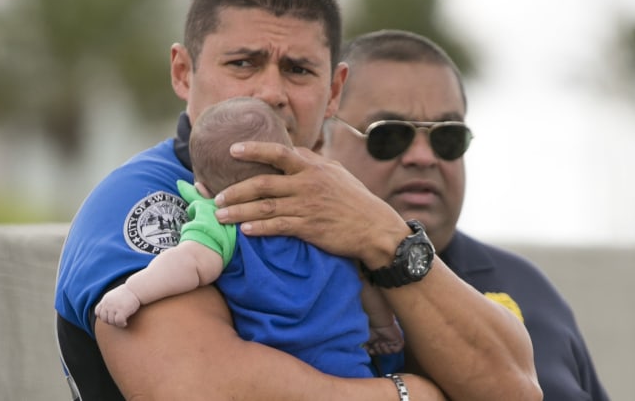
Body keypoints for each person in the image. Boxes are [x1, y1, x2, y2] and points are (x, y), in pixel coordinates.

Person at [54, 0, 541, 400]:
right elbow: (202, 390)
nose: (271, 92)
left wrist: (385, 238)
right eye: (243, 63)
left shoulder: (353, 206)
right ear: (184, 72)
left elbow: (514, 389)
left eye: (298, 69)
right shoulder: (150, 200)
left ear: (333, 90)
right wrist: (405, 395)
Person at [321, 29, 610, 400]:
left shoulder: (528, 288)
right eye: (390, 135)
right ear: (321, 142)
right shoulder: (271, 279)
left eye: (447, 137)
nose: (424, 157)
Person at [94, 97, 404, 369]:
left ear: (202, 189)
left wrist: (133, 292)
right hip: (348, 364)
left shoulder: (221, 219)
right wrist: (383, 326)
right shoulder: (322, 215)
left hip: (280, 370)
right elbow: (362, 278)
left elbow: (189, 264)